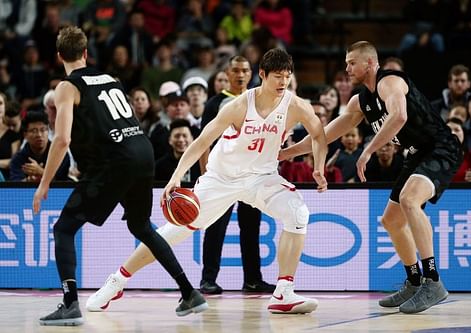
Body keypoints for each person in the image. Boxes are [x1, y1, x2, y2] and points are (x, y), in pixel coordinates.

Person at [87, 48, 327, 314]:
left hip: (262, 177)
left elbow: (319, 135)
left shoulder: (295, 105)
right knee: (172, 232)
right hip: (221, 179)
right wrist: (177, 176)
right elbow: (202, 141)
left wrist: (318, 167)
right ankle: (116, 281)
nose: (283, 82)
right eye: (277, 77)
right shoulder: (238, 106)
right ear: (262, 75)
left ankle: (283, 292)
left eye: (287, 76)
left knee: (298, 213)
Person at [32, 26, 207, 326]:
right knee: (142, 226)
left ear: (59, 55)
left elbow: (61, 140)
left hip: (114, 161)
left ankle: (70, 303)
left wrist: (44, 183)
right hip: (143, 151)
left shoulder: (66, 87)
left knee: (63, 229)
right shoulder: (110, 79)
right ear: (86, 53)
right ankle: (190, 292)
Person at [280, 41, 462, 314]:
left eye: (352, 62)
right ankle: (414, 281)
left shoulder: (390, 81)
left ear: (370, 63)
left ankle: (433, 281)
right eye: (346, 63)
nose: (347, 68)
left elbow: (399, 116)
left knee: (410, 200)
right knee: (391, 220)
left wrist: (368, 150)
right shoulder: (360, 101)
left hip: (440, 148)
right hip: (417, 154)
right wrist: (286, 153)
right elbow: (324, 135)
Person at [198, 55, 275, 295]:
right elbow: (204, 142)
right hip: (222, 175)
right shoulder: (215, 104)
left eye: (244, 70)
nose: (240, 75)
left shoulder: (259, 100)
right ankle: (207, 279)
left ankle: (253, 279)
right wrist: (205, 175)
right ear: (227, 74)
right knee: (215, 227)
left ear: (251, 73)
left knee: (251, 229)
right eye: (235, 71)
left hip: (251, 175)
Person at [10, 111, 71, 182]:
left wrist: (41, 172)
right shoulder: (18, 159)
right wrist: (29, 180)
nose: (39, 135)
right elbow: (15, 186)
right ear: (25, 135)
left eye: (43, 130)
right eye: (34, 131)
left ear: (48, 131)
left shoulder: (60, 154)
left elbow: (63, 183)